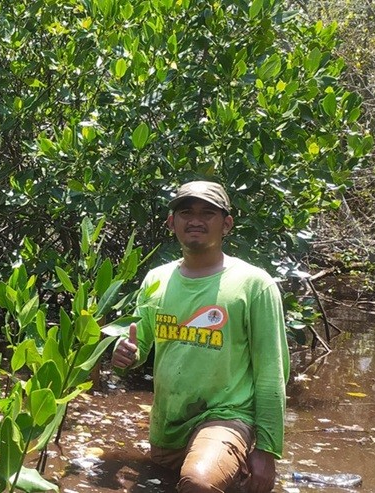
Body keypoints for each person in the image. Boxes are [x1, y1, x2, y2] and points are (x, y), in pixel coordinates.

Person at [111, 181, 290, 493]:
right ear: (171, 223)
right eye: (186, 212)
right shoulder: (157, 279)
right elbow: (138, 344)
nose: (196, 220)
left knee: (198, 482)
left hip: (228, 416)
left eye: (208, 213)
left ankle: (236, 457)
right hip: (168, 425)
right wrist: (124, 353)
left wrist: (268, 450)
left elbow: (271, 371)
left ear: (227, 224)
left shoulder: (253, 284)